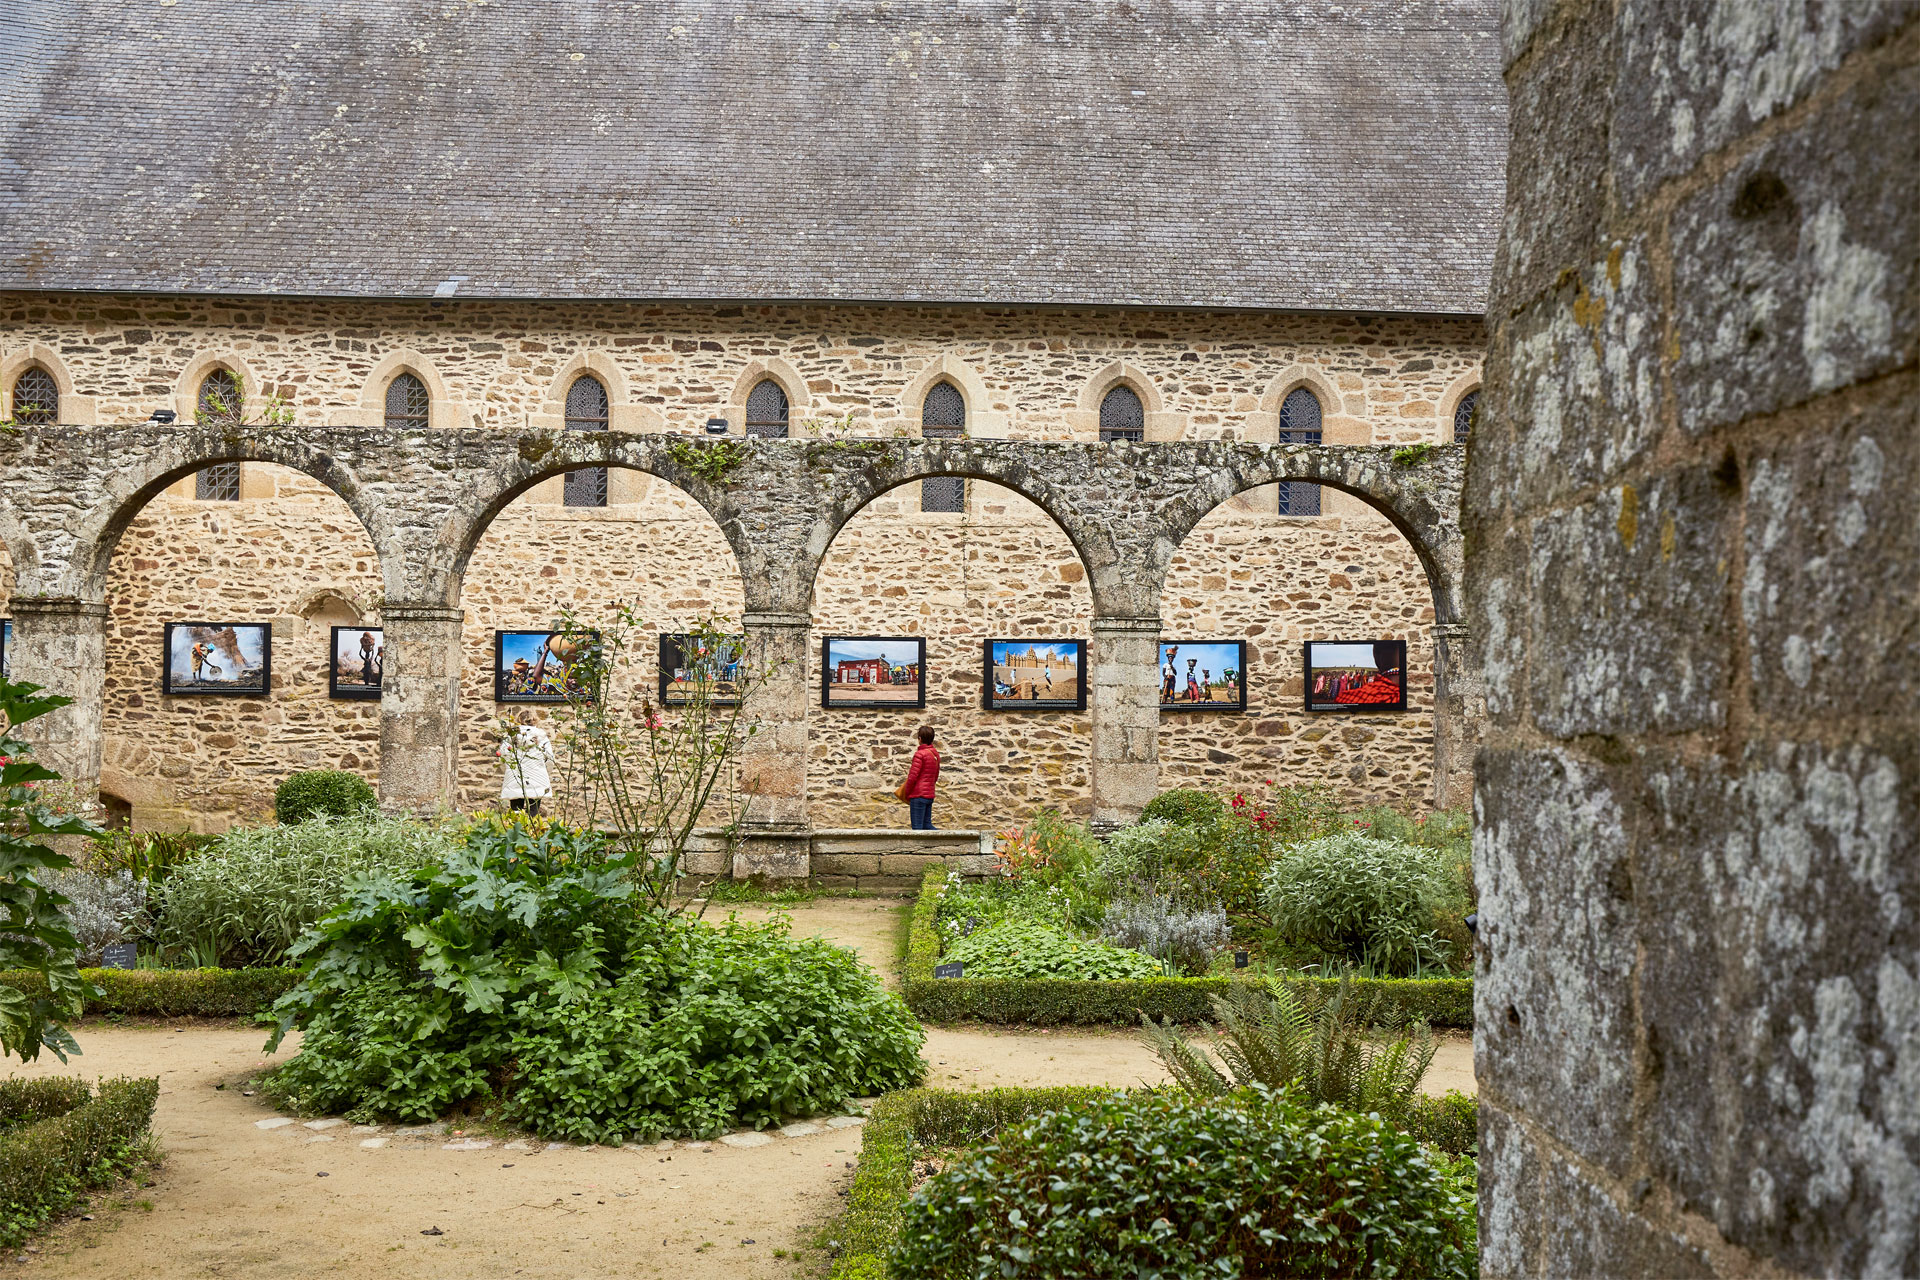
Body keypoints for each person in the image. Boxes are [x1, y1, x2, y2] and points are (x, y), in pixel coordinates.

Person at [497, 713, 554, 816]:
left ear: (518, 720)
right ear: (535, 720)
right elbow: (549, 758)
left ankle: (517, 830)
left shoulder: (510, 737)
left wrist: (507, 770)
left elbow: (503, 756)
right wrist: (545, 772)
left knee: (516, 812)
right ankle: (532, 831)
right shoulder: (542, 737)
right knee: (533, 812)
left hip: (515, 776)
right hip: (537, 777)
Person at [896, 724, 940, 830]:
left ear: (919, 739)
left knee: (917, 829)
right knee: (927, 826)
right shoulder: (935, 754)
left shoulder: (919, 755)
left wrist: (907, 793)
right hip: (929, 795)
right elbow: (935, 776)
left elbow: (912, 777)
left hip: (918, 796)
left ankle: (948, 840)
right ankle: (946, 840)